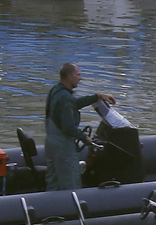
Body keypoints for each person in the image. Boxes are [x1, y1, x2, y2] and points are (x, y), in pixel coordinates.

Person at [45, 62, 117, 191]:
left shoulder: (56, 91)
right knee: (71, 184)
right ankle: (72, 209)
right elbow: (68, 127)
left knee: (53, 182)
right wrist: (85, 137)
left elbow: (74, 104)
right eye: (78, 75)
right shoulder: (65, 98)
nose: (80, 78)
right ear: (69, 77)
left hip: (51, 143)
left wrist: (97, 96)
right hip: (63, 147)